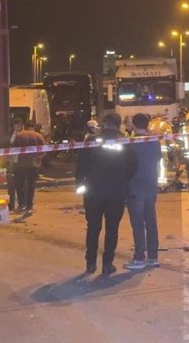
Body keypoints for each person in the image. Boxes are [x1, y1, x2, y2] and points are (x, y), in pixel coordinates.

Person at [76, 112, 136, 274]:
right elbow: (132, 167)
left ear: (104, 123)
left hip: (94, 191)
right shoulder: (124, 141)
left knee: (93, 227)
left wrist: (81, 184)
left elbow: (81, 165)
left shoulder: (92, 140)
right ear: (118, 124)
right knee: (112, 229)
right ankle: (107, 264)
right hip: (116, 192)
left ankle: (90, 263)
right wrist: (122, 181)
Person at [124, 113, 161, 270]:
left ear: (133, 124)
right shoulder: (154, 141)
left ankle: (139, 258)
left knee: (138, 224)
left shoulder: (131, 143)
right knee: (151, 221)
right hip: (150, 185)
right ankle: (153, 257)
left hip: (135, 187)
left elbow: (126, 166)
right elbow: (158, 160)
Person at [10, 117, 45, 213]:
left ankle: (21, 205)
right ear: (34, 127)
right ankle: (30, 206)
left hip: (21, 164)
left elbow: (13, 149)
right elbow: (44, 150)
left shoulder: (19, 135)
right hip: (34, 165)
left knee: (20, 185)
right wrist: (39, 158)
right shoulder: (38, 136)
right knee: (31, 185)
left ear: (25, 126)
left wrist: (12, 162)